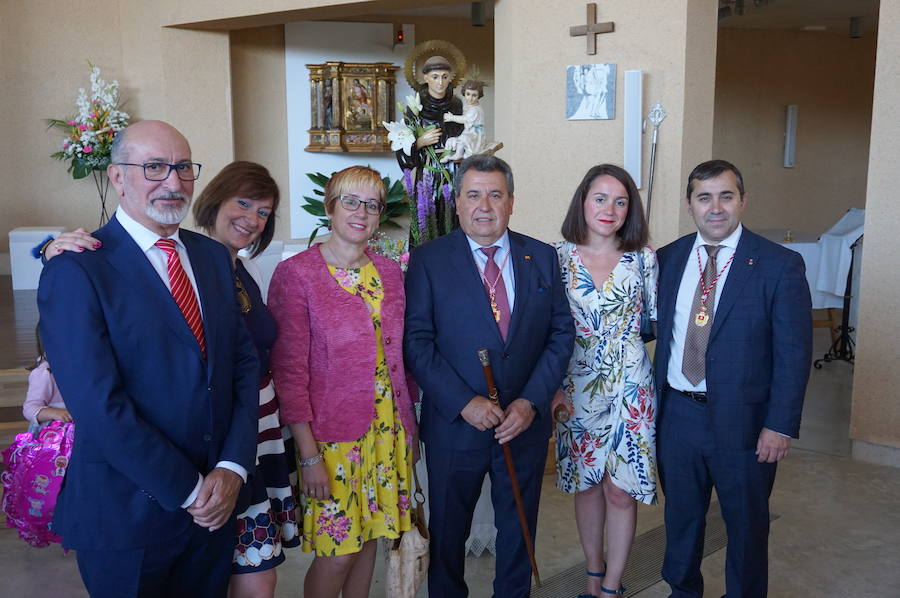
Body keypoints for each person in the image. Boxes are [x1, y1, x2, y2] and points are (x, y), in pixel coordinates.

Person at [45, 160, 300, 597]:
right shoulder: (81, 263)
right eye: (155, 168)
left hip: (227, 471)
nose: (172, 181)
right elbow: (98, 403)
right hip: (133, 501)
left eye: (183, 169)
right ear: (118, 177)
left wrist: (232, 466)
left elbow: (243, 365)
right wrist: (192, 490)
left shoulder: (217, 260)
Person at [404, 154, 575, 598]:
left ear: (511, 202)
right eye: (474, 195)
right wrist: (464, 402)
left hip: (523, 426)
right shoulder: (428, 260)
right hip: (454, 426)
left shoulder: (541, 256)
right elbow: (417, 342)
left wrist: (531, 402)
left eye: (495, 195)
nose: (485, 206)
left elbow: (560, 335)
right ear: (457, 203)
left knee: (519, 529)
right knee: (448, 531)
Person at [654, 159, 812, 598]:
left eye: (726, 196)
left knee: (745, 525)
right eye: (704, 198)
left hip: (746, 424)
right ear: (690, 205)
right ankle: (683, 591)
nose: (716, 208)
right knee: (681, 520)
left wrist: (779, 424)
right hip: (678, 418)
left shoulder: (779, 265)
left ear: (743, 200)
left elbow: (794, 354)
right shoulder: (668, 259)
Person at [267, 165, 418, 598]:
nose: (362, 212)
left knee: (370, 536)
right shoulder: (297, 274)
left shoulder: (389, 273)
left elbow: (400, 357)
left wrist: (410, 427)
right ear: (330, 208)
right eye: (350, 201)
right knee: (338, 551)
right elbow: (289, 370)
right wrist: (309, 454)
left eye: (372, 205)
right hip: (332, 440)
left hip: (388, 432)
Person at [551, 164, 657, 597]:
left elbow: (659, 323)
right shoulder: (555, 256)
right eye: (600, 198)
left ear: (630, 209)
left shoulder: (645, 258)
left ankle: (612, 587)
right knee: (587, 484)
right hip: (575, 385)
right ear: (582, 201)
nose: (609, 209)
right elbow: (545, 328)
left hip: (631, 385)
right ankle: (593, 577)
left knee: (620, 489)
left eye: (620, 201)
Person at [22, 327, 71, 436]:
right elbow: (29, 409)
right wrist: (55, 413)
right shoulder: (44, 373)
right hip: (52, 436)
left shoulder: (79, 366)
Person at [442, 79, 486, 163]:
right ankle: (446, 155)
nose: (470, 98)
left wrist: (452, 117)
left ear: (479, 96)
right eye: (468, 94)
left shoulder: (475, 109)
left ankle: (458, 155)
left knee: (463, 139)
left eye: (474, 95)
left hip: (475, 135)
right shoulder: (468, 106)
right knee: (450, 141)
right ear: (464, 93)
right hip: (468, 132)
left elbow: (464, 119)